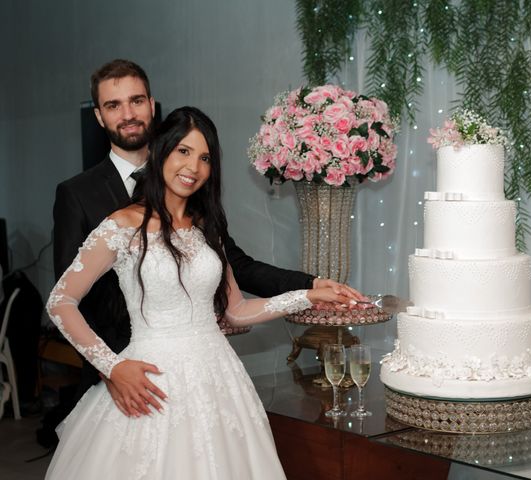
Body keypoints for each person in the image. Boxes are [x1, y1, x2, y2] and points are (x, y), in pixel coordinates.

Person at [45, 106, 358, 479]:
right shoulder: (122, 224)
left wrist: (306, 296)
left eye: (205, 157)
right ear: (161, 151)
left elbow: (236, 310)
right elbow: (61, 302)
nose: (193, 166)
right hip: (152, 380)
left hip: (218, 377)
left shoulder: (206, 225)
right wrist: (112, 366)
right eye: (183, 151)